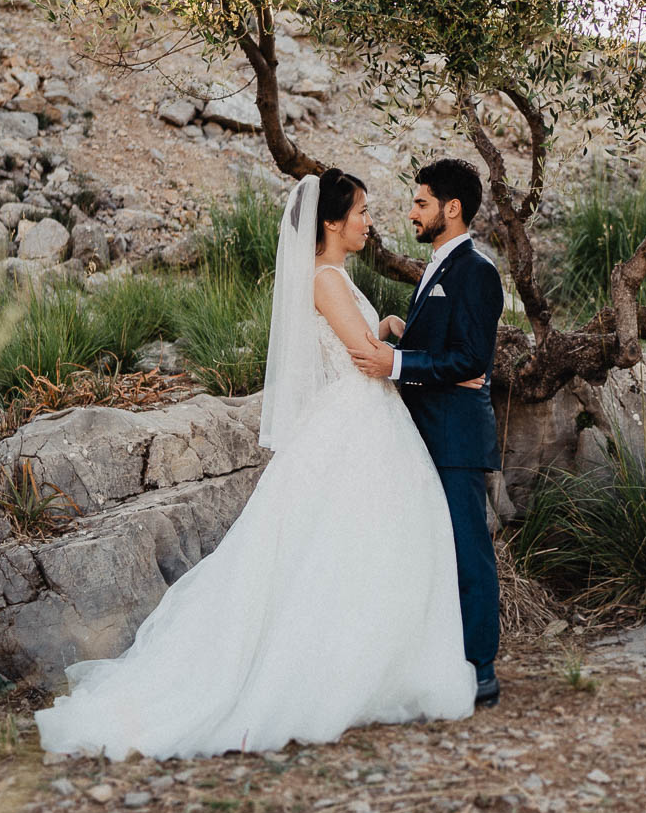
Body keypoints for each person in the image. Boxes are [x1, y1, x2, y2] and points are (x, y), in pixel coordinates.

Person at [34, 170, 476, 758]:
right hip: (358, 420)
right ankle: (336, 673)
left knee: (361, 545)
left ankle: (375, 664)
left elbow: (368, 339)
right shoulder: (325, 279)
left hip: (366, 417)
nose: (371, 222)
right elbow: (365, 356)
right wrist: (430, 358)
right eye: (363, 212)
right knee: (349, 545)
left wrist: (391, 327)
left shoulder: (336, 277)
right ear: (331, 222)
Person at [348, 158, 505, 709]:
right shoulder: (438, 267)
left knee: (468, 552)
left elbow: (469, 358)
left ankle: (482, 667)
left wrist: (395, 362)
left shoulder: (477, 272)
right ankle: (441, 658)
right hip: (426, 434)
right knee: (433, 551)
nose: (411, 212)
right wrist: (402, 329)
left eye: (420, 203)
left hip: (457, 438)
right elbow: (442, 347)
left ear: (451, 208)